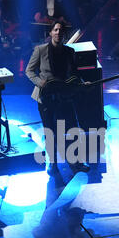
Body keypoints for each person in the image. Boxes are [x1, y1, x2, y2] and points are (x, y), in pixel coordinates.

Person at [25, 20, 89, 176]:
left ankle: (76, 161)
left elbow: (74, 73)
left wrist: (81, 83)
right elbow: (29, 71)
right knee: (50, 131)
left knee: (72, 128)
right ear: (50, 33)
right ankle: (52, 163)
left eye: (61, 31)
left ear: (64, 34)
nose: (58, 33)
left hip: (64, 95)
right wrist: (41, 83)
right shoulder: (40, 50)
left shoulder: (69, 52)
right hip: (46, 97)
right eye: (55, 30)